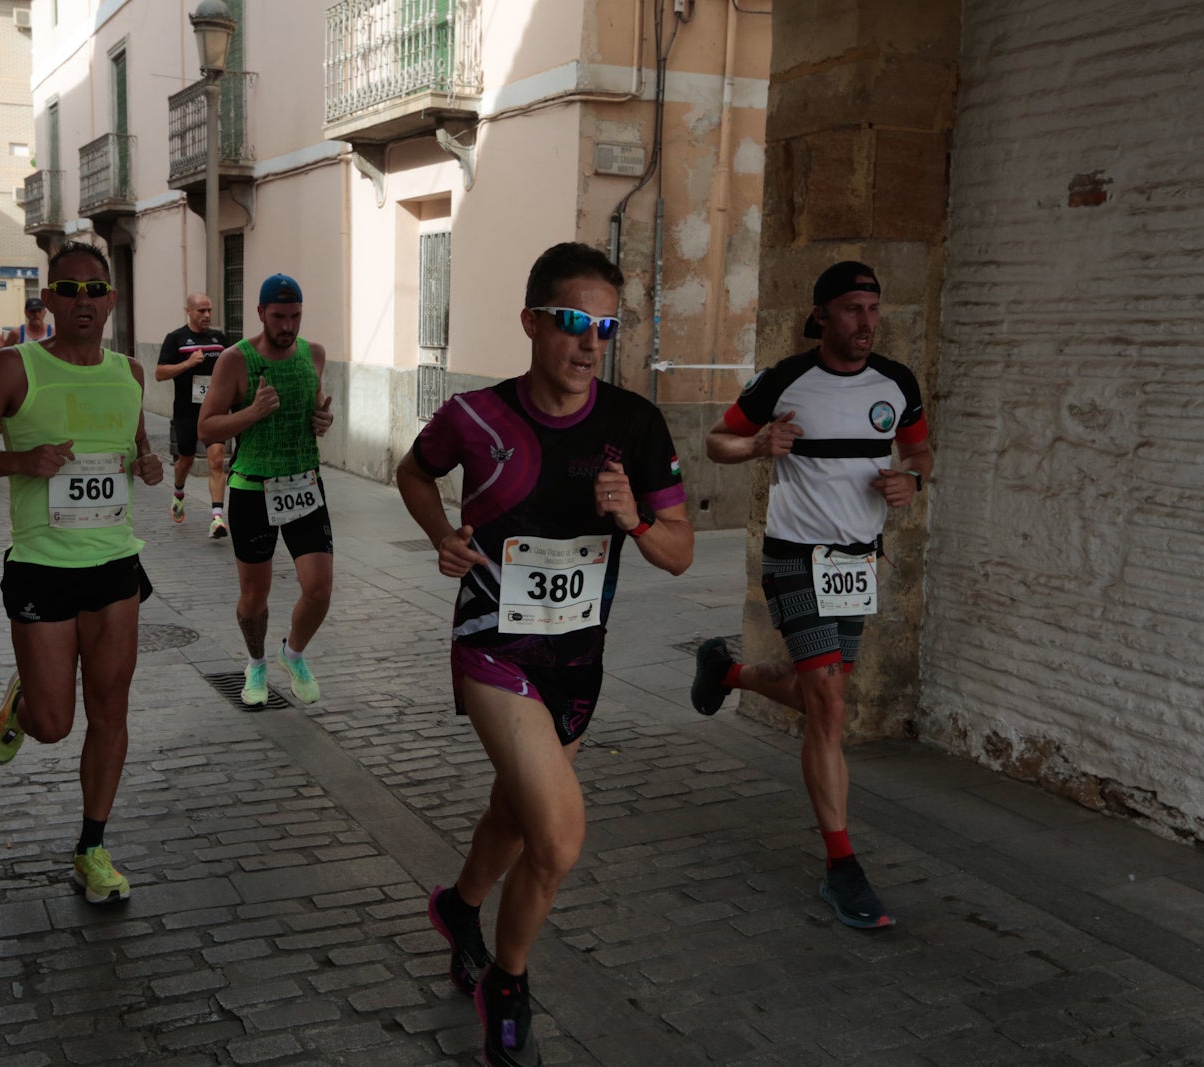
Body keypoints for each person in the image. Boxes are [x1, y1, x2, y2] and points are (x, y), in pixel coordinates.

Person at [396, 241, 693, 1067]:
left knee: (514, 814)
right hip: (493, 644)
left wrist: (634, 517)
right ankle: (509, 981)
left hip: (577, 661)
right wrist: (443, 538)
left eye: (606, 325)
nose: (589, 342)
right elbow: (412, 474)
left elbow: (680, 552)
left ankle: (459, 907)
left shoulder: (635, 424)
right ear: (531, 321)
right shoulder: (475, 416)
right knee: (557, 837)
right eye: (571, 322)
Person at [688, 260, 933, 931]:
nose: (866, 322)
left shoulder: (897, 383)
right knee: (827, 701)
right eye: (853, 309)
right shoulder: (787, 380)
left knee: (816, 691)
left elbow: (920, 454)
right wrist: (760, 442)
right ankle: (841, 865)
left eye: (873, 309)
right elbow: (717, 441)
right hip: (794, 554)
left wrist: (911, 481)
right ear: (823, 314)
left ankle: (728, 669)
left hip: (857, 562)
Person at [0, 240, 164, 904]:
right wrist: (22, 461)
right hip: (41, 567)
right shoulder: (15, 368)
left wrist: (147, 465)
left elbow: (136, 447)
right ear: (49, 300)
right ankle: (24, 701)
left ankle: (92, 846)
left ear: (112, 301)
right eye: (69, 290)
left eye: (95, 292)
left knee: (111, 710)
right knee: (55, 721)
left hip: (116, 564)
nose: (83, 302)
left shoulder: (130, 372)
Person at [198, 274, 335, 707]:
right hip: (253, 488)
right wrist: (252, 413)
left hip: (304, 484)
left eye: (295, 316)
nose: (288, 326)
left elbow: (312, 414)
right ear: (260, 314)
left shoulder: (314, 355)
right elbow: (206, 427)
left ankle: (291, 653)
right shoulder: (235, 361)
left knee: (319, 589)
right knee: (255, 594)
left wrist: (321, 422)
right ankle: (255, 663)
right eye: (279, 317)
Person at [156, 291, 230, 533]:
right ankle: (178, 492)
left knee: (217, 460)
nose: (207, 315)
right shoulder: (176, 339)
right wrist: (188, 363)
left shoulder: (219, 339)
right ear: (189, 311)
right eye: (201, 310)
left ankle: (217, 518)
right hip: (186, 411)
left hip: (214, 411)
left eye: (209, 310)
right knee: (185, 460)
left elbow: (234, 367)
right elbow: (160, 373)